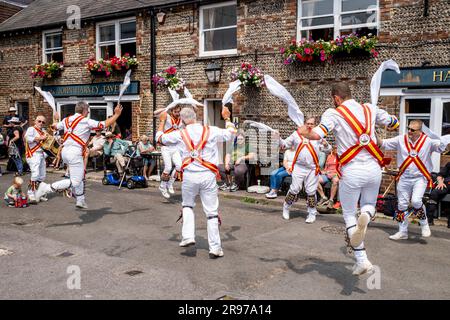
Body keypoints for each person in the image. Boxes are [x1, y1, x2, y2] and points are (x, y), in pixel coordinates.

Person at [299, 82, 399, 275]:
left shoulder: (333, 113)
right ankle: (367, 216)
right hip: (374, 169)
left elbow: (317, 134)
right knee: (369, 204)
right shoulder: (370, 108)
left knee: (348, 215)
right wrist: (388, 122)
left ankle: (362, 259)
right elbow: (393, 123)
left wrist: (304, 131)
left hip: (352, 171)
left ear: (336, 98)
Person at [156, 106, 236, 259]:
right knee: (211, 212)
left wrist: (161, 122)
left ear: (183, 120)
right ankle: (215, 248)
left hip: (190, 176)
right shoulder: (210, 130)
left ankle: (188, 236)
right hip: (208, 176)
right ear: (196, 116)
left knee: (187, 205)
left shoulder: (180, 133)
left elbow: (159, 138)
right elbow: (231, 134)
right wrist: (226, 118)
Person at [35, 101, 122, 209]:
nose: (89, 112)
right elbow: (103, 124)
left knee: (79, 177)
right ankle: (46, 188)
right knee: (76, 181)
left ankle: (80, 200)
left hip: (65, 152)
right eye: (88, 110)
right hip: (75, 152)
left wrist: (56, 120)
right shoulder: (85, 121)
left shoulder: (66, 120)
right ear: (84, 110)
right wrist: (117, 115)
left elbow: (54, 127)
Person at [379, 120, 448, 240]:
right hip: (404, 177)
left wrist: (444, 141)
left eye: (412, 130)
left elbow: (440, 148)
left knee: (416, 201)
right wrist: (371, 134)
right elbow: (383, 143)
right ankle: (402, 231)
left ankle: (424, 223)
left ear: (420, 131)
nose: (409, 131)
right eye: (408, 128)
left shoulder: (428, 141)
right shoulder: (401, 139)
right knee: (401, 205)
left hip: (420, 178)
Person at [278, 117, 329, 224]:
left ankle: (312, 213)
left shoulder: (317, 135)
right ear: (304, 123)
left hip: (312, 168)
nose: (309, 125)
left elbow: (328, 149)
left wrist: (326, 145)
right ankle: (286, 208)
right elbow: (284, 145)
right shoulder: (296, 134)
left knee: (311, 191)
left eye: (312, 124)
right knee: (294, 189)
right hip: (299, 167)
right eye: (308, 123)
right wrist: (278, 138)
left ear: (315, 125)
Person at [158, 106, 183, 199]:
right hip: (166, 147)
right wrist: (166, 108)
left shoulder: (180, 120)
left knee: (179, 166)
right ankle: (162, 186)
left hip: (175, 147)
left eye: (178, 112)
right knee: (168, 168)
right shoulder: (167, 116)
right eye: (175, 112)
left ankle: (170, 184)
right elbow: (155, 113)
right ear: (172, 111)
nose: (177, 113)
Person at [24, 115, 48, 203]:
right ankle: (30, 193)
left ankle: (38, 193)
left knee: (42, 175)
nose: (41, 123)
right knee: (35, 174)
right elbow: (27, 138)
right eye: (39, 121)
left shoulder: (43, 131)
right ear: (35, 121)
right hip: (33, 154)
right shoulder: (31, 129)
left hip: (41, 154)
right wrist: (39, 138)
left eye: (43, 122)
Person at [427, 161, 449, 228]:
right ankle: (429, 220)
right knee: (434, 193)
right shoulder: (449, 164)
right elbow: (439, 175)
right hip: (446, 185)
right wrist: (440, 182)